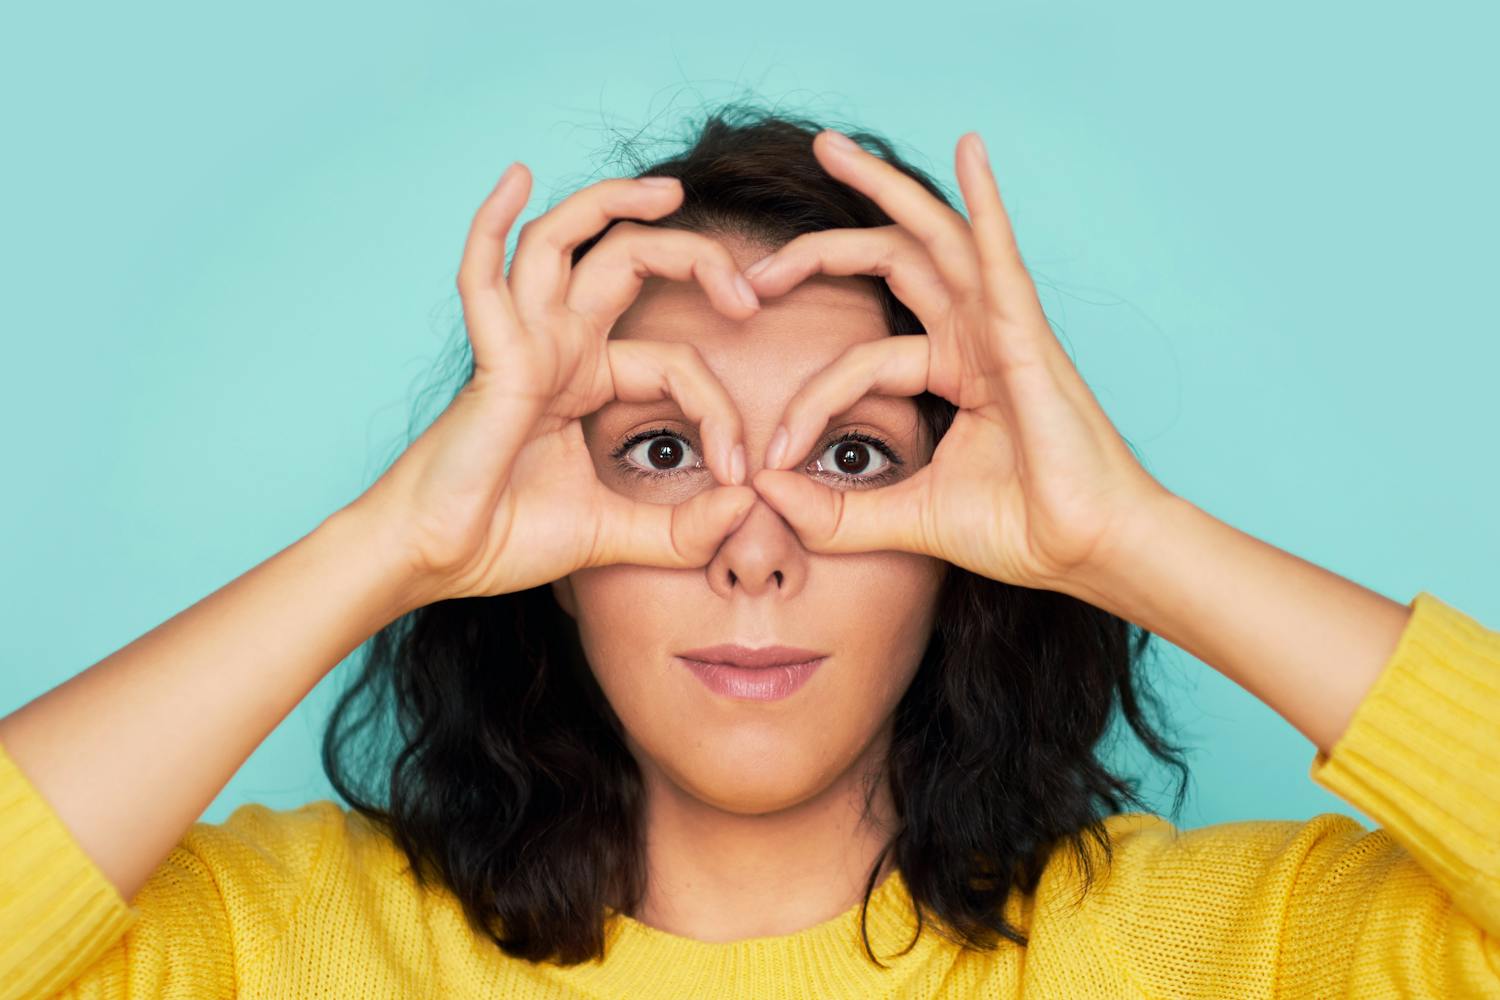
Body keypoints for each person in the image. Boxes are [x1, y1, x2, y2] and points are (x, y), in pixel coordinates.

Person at [1, 105, 1495, 999]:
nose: (756, 550)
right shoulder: (280, 944)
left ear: (956, 558)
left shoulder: (1230, 951)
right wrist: (388, 546)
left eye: (852, 457)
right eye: (663, 451)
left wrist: (1131, 538)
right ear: (551, 552)